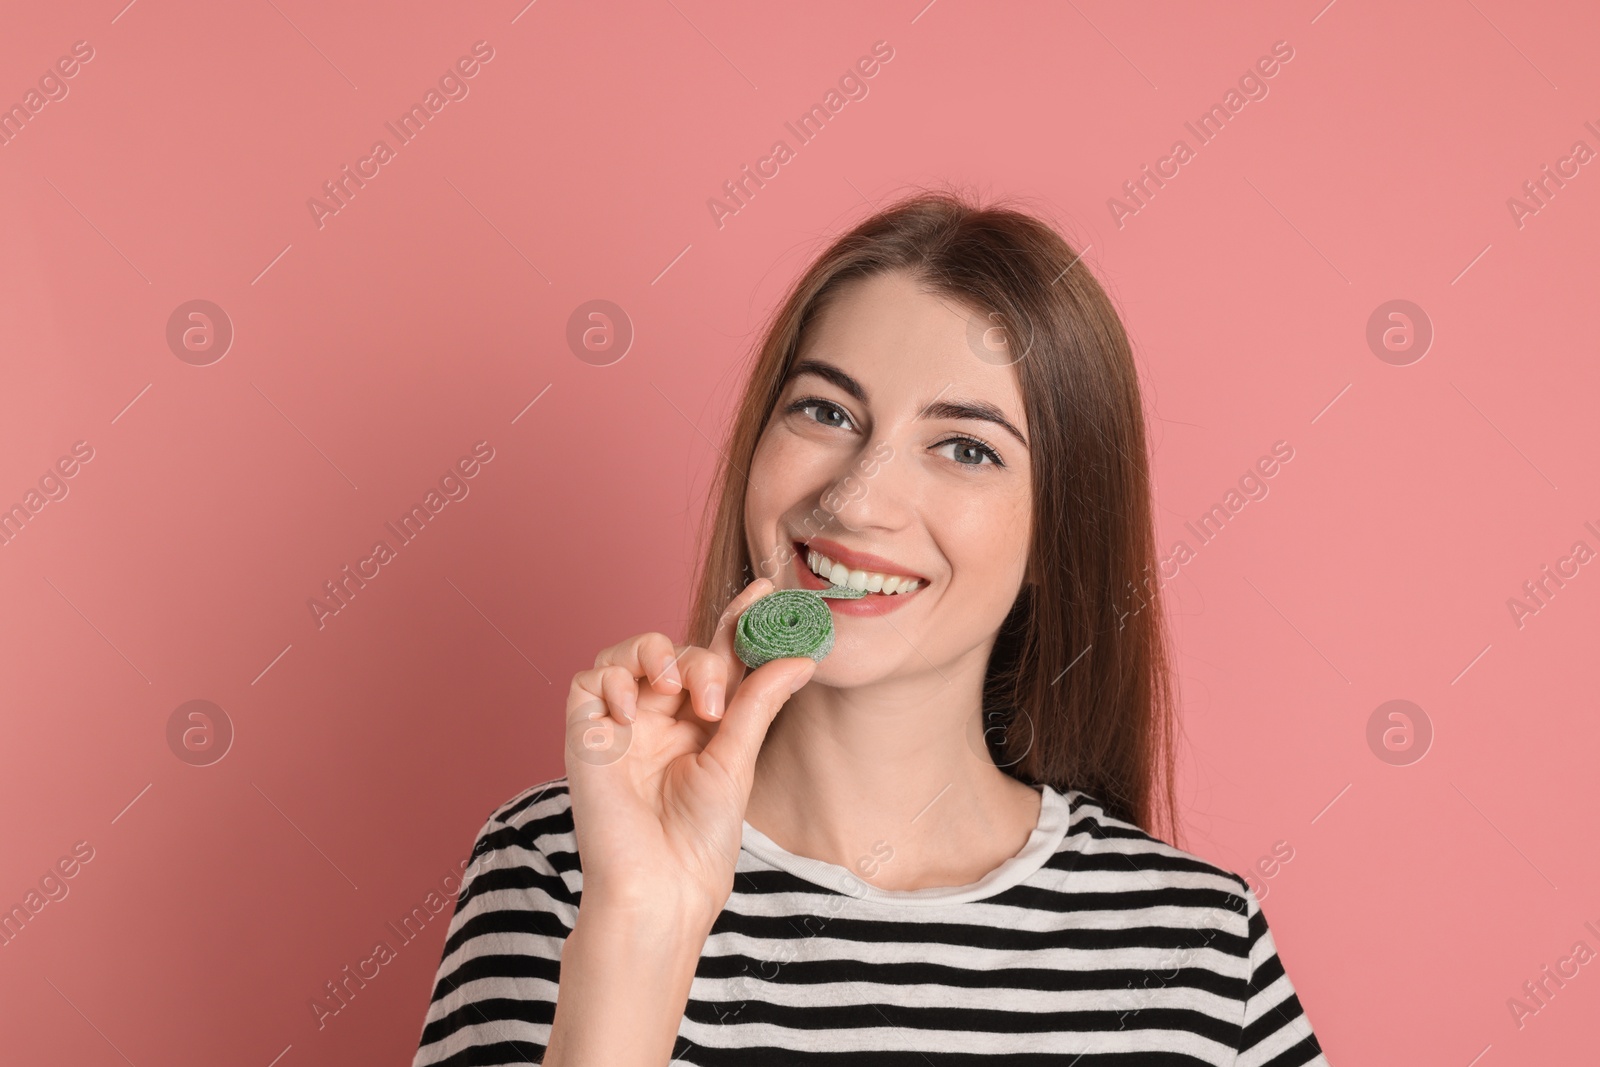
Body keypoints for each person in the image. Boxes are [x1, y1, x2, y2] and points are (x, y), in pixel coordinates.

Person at [409, 189, 1330, 1065]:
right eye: (826, 410)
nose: (856, 498)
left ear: (1060, 527)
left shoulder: (1200, 948)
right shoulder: (559, 868)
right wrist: (643, 922)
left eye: (965, 447)